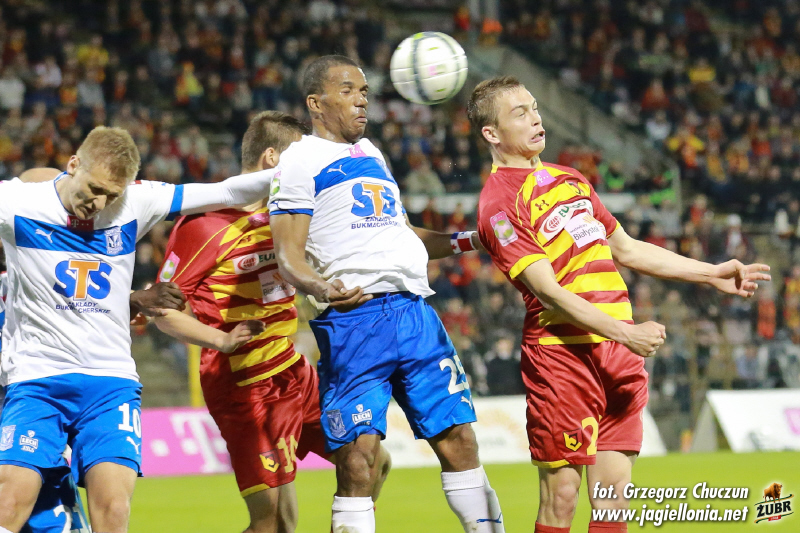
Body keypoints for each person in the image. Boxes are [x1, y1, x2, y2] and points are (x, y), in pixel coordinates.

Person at [469, 76, 770, 533]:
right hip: (563, 358)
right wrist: (626, 332)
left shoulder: (571, 179)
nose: (535, 118)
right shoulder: (499, 202)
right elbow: (549, 292)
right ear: (491, 133)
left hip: (618, 357)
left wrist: (710, 273)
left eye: (535, 108)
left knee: (612, 504)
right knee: (561, 499)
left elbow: (626, 248)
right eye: (520, 113)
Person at [0, 125, 280, 533]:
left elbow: (228, 191)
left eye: (111, 195)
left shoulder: (136, 201)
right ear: (73, 164)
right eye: (94, 189)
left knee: (114, 508)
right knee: (10, 501)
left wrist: (308, 170)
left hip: (110, 384)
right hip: (39, 379)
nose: (98, 203)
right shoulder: (17, 203)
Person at [268, 55, 504, 533]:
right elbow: (288, 257)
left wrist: (469, 240)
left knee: (460, 442)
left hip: (414, 313)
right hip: (354, 321)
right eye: (348, 91)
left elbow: (403, 235)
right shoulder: (298, 162)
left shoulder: (372, 153)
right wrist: (322, 288)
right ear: (316, 103)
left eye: (364, 92)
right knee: (358, 461)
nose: (362, 101)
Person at [153, 111, 389, 533]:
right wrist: (220, 340)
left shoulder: (288, 217)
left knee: (370, 462)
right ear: (271, 159)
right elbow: (162, 309)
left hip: (293, 370)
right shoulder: (204, 223)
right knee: (274, 526)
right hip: (243, 383)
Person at [1, 168, 186, 533]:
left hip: (39, 422)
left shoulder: (45, 269)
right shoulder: (23, 270)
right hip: (21, 417)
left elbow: (80, 305)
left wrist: (131, 300)